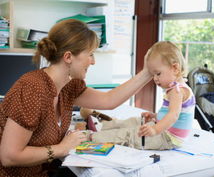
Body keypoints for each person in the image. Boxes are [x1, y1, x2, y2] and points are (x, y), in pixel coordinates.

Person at [0, 19, 152, 177]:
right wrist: (61, 149)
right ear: (68, 57)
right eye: (90, 54)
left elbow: (109, 100)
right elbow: (9, 156)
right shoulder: (33, 89)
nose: (93, 61)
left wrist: (148, 71)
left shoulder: (68, 86)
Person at [88, 41, 195, 150]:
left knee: (130, 135)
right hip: (164, 130)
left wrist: (155, 129)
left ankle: (93, 137)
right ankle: (101, 126)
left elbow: (173, 115)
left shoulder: (177, 91)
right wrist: (155, 116)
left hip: (168, 138)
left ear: (175, 68)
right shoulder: (175, 88)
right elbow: (170, 113)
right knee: (135, 121)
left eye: (158, 73)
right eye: (153, 75)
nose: (155, 79)